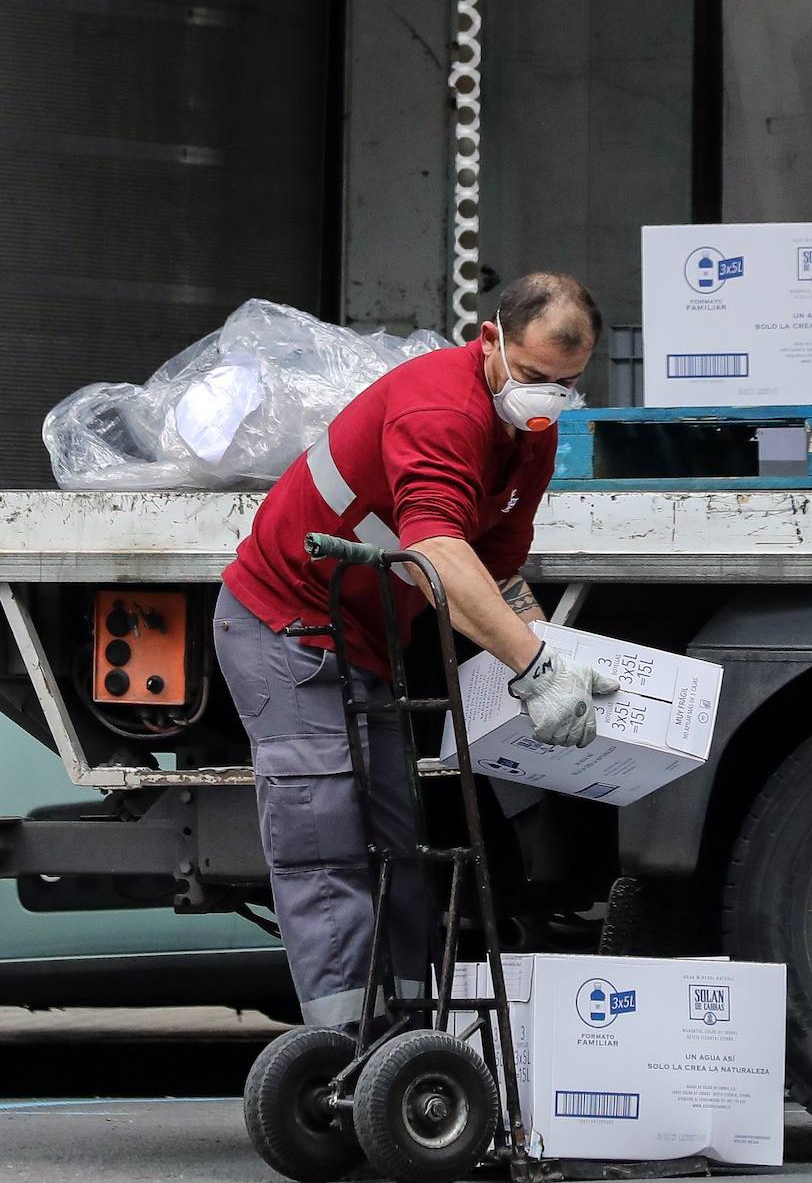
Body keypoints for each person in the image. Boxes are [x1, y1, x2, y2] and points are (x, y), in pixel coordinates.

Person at [212, 272, 617, 1030]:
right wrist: (530, 667)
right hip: (285, 625)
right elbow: (435, 549)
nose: (546, 399)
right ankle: (345, 1054)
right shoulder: (441, 408)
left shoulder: (528, 434)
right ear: (491, 339)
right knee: (328, 838)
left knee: (399, 847)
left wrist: (550, 652)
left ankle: (403, 1038)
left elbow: (492, 571)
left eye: (565, 384)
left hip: (364, 637)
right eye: (532, 377)